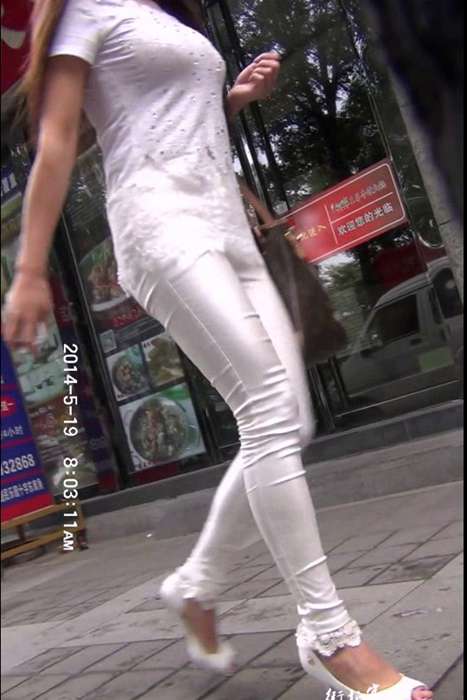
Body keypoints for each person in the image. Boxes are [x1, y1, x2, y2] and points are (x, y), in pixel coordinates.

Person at [1, 2, 432, 698]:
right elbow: (56, 142)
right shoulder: (85, 9)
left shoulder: (157, 12)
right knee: (267, 408)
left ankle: (196, 583)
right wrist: (28, 272)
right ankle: (330, 637)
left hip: (227, 227)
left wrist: (231, 101)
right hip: (161, 223)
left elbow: (165, 117)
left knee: (288, 420)